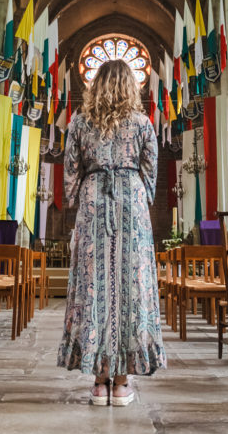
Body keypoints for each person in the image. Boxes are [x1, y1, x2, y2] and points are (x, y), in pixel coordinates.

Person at [57, 58, 166, 406]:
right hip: (131, 202)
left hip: (93, 201)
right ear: (131, 87)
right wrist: (140, 192)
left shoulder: (80, 122)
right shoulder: (142, 123)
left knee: (94, 285)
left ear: (96, 86)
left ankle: (99, 380)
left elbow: (70, 168)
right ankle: (122, 381)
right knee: (132, 286)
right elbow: (151, 168)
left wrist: (77, 196)